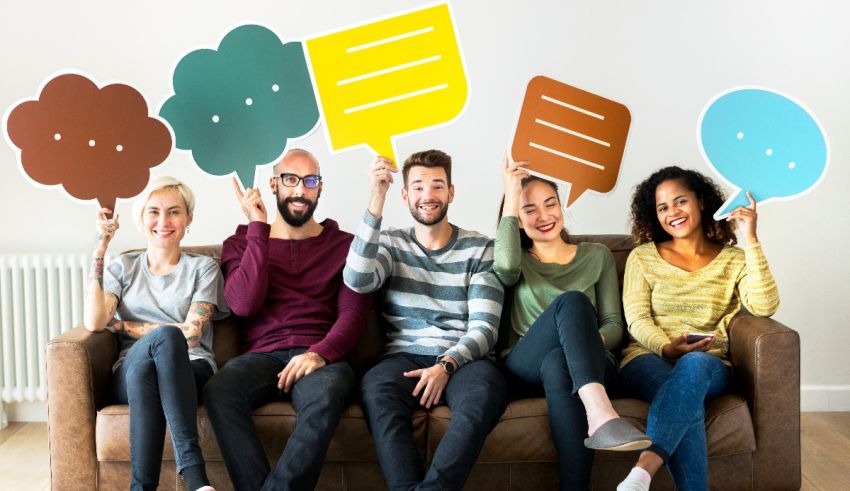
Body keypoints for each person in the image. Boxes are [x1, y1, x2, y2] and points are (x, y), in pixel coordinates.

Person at [203, 148, 372, 491]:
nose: (300, 190)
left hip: (321, 356)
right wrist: (257, 227)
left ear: (320, 188)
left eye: (310, 181)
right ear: (273, 184)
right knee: (219, 391)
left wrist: (318, 353)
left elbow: (353, 315)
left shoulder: (347, 246)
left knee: (326, 398)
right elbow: (243, 306)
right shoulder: (242, 242)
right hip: (261, 356)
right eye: (290, 179)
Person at [344, 150, 508, 491]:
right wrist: (377, 195)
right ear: (404, 195)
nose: (427, 196)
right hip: (404, 356)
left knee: (484, 395)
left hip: (464, 359)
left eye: (437, 186)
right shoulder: (391, 243)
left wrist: (446, 365)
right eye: (417, 187)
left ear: (451, 192)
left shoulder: (480, 248)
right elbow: (357, 280)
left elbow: (484, 329)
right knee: (376, 389)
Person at [616, 166, 780, 491]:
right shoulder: (642, 258)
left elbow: (765, 306)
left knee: (692, 369)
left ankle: (642, 471)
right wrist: (667, 348)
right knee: (685, 400)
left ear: (701, 202)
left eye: (680, 202)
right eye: (663, 207)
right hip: (647, 358)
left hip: (707, 364)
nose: (672, 213)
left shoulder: (734, 259)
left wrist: (750, 238)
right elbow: (637, 320)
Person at [494, 158, 651, 490]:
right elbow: (505, 266)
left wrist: (581, 341)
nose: (544, 215)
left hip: (587, 364)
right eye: (529, 210)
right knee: (573, 301)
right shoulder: (515, 260)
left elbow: (613, 326)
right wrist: (511, 189)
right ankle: (600, 413)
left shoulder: (597, 255)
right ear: (517, 220)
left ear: (561, 207)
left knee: (559, 361)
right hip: (525, 364)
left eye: (550, 204)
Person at [83, 176, 225, 491]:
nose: (164, 221)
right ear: (141, 218)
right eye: (154, 212)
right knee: (146, 365)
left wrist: (122, 326)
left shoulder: (204, 268)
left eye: (174, 212)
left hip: (191, 368)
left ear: (189, 218)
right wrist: (99, 251)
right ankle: (196, 480)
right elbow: (94, 322)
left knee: (169, 341)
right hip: (132, 367)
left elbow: (189, 336)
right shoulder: (123, 267)